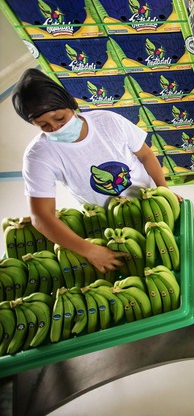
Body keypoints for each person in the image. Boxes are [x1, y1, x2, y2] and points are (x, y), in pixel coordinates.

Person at [11, 68, 175, 273]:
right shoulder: (39, 155)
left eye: (60, 118)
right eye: (44, 125)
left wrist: (164, 190)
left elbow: (146, 155)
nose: (56, 128)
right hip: (109, 223)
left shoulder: (108, 122)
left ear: (71, 104)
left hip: (150, 203)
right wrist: (88, 250)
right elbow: (41, 216)